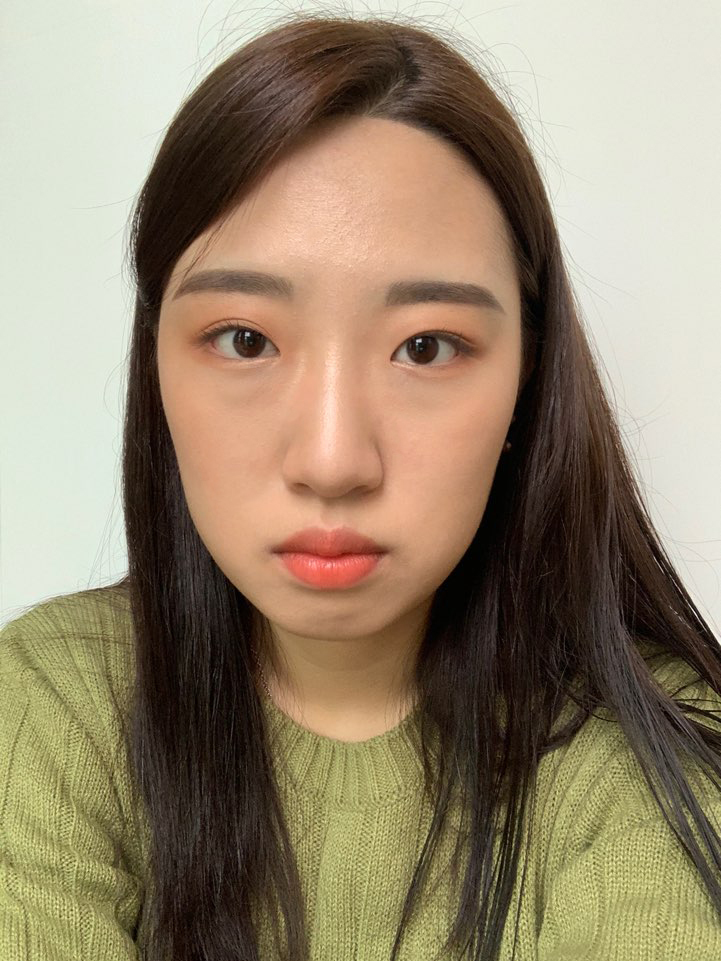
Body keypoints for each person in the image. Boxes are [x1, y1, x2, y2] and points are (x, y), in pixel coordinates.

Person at [2, 11, 721, 961]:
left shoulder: (657, 759)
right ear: (156, 367)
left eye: (425, 347)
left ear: (526, 381)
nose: (333, 460)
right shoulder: (48, 705)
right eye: (245, 340)